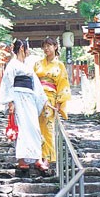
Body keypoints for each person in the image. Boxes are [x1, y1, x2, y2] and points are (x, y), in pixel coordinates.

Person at [0, 39, 48, 171]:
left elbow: (35, 83)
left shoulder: (27, 66)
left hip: (30, 98)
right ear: (21, 49)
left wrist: (44, 99)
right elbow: (8, 83)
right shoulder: (12, 65)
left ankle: (37, 158)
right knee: (22, 128)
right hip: (18, 97)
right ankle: (21, 159)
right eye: (27, 48)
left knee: (34, 127)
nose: (28, 51)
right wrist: (11, 102)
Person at [34, 37, 72, 169]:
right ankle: (37, 156)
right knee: (35, 126)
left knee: (48, 127)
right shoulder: (38, 64)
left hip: (50, 98)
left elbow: (63, 84)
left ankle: (47, 158)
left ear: (55, 47)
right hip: (37, 98)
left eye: (49, 46)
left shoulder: (60, 65)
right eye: (44, 46)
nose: (46, 49)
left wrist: (59, 102)